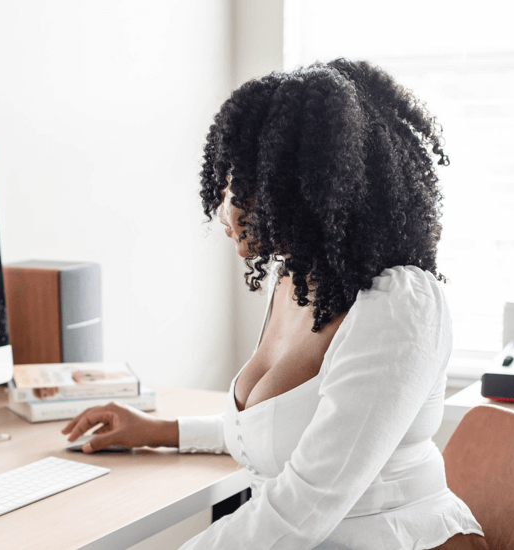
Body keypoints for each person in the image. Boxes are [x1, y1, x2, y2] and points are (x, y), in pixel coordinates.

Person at [63, 59, 489, 549]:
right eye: (228, 176)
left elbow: (309, 498)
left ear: (317, 188)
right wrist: (159, 430)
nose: (227, 203)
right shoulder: (298, 280)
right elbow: (287, 433)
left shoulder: (400, 306)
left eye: (250, 181)